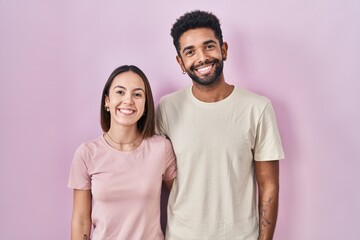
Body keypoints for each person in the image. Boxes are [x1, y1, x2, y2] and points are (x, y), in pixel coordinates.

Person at [156, 10, 284, 240]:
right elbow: (155, 170)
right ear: (181, 63)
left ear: (224, 50)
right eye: (190, 52)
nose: (202, 57)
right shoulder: (166, 108)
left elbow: (269, 186)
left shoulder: (257, 108)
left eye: (209, 46)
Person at [68, 65, 177, 240]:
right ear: (107, 101)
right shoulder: (86, 153)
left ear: (145, 105)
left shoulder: (161, 149)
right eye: (120, 92)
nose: (128, 100)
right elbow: (80, 220)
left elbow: (182, 199)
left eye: (137, 94)